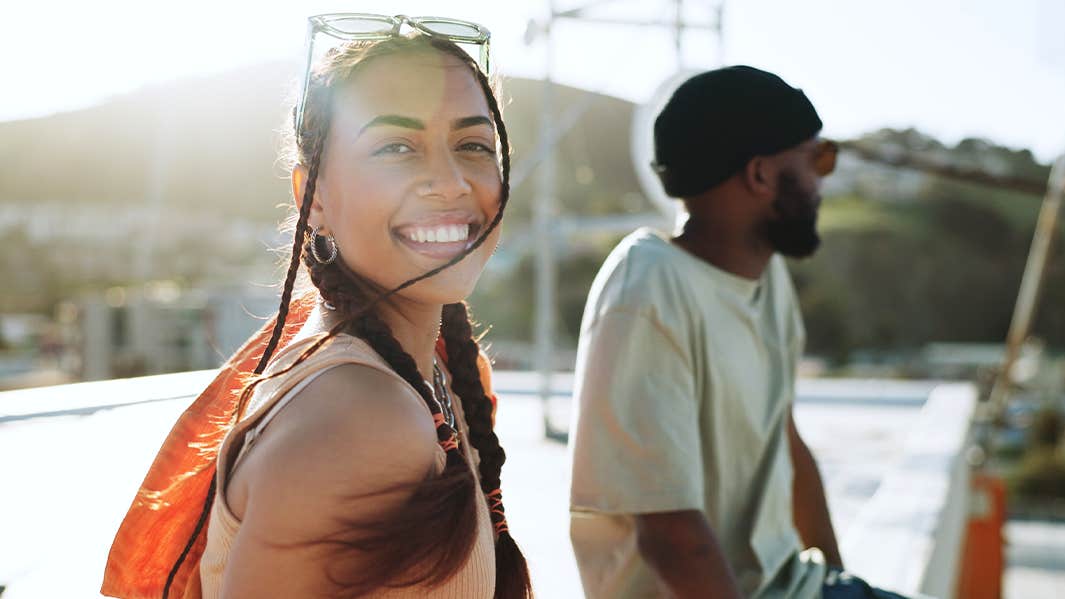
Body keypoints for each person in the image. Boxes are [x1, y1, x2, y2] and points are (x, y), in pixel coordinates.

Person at [102, 14, 531, 599]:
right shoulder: (359, 417)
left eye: (473, 144)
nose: (451, 182)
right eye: (397, 146)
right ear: (314, 198)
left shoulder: (425, 371)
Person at [568, 66, 910, 598]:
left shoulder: (764, 275)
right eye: (818, 158)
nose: (824, 181)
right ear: (759, 175)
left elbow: (786, 444)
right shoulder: (647, 290)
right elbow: (670, 535)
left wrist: (842, 583)